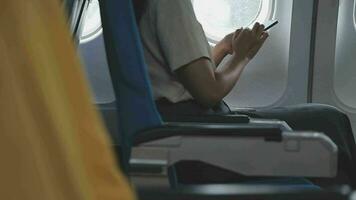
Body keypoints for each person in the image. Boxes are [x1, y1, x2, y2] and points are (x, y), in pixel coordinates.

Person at [133, 0, 356, 187]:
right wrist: (243, 56)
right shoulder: (170, 4)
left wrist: (222, 48)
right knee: (328, 124)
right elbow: (209, 92)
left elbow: (185, 75)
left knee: (328, 119)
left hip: (187, 122)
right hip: (197, 130)